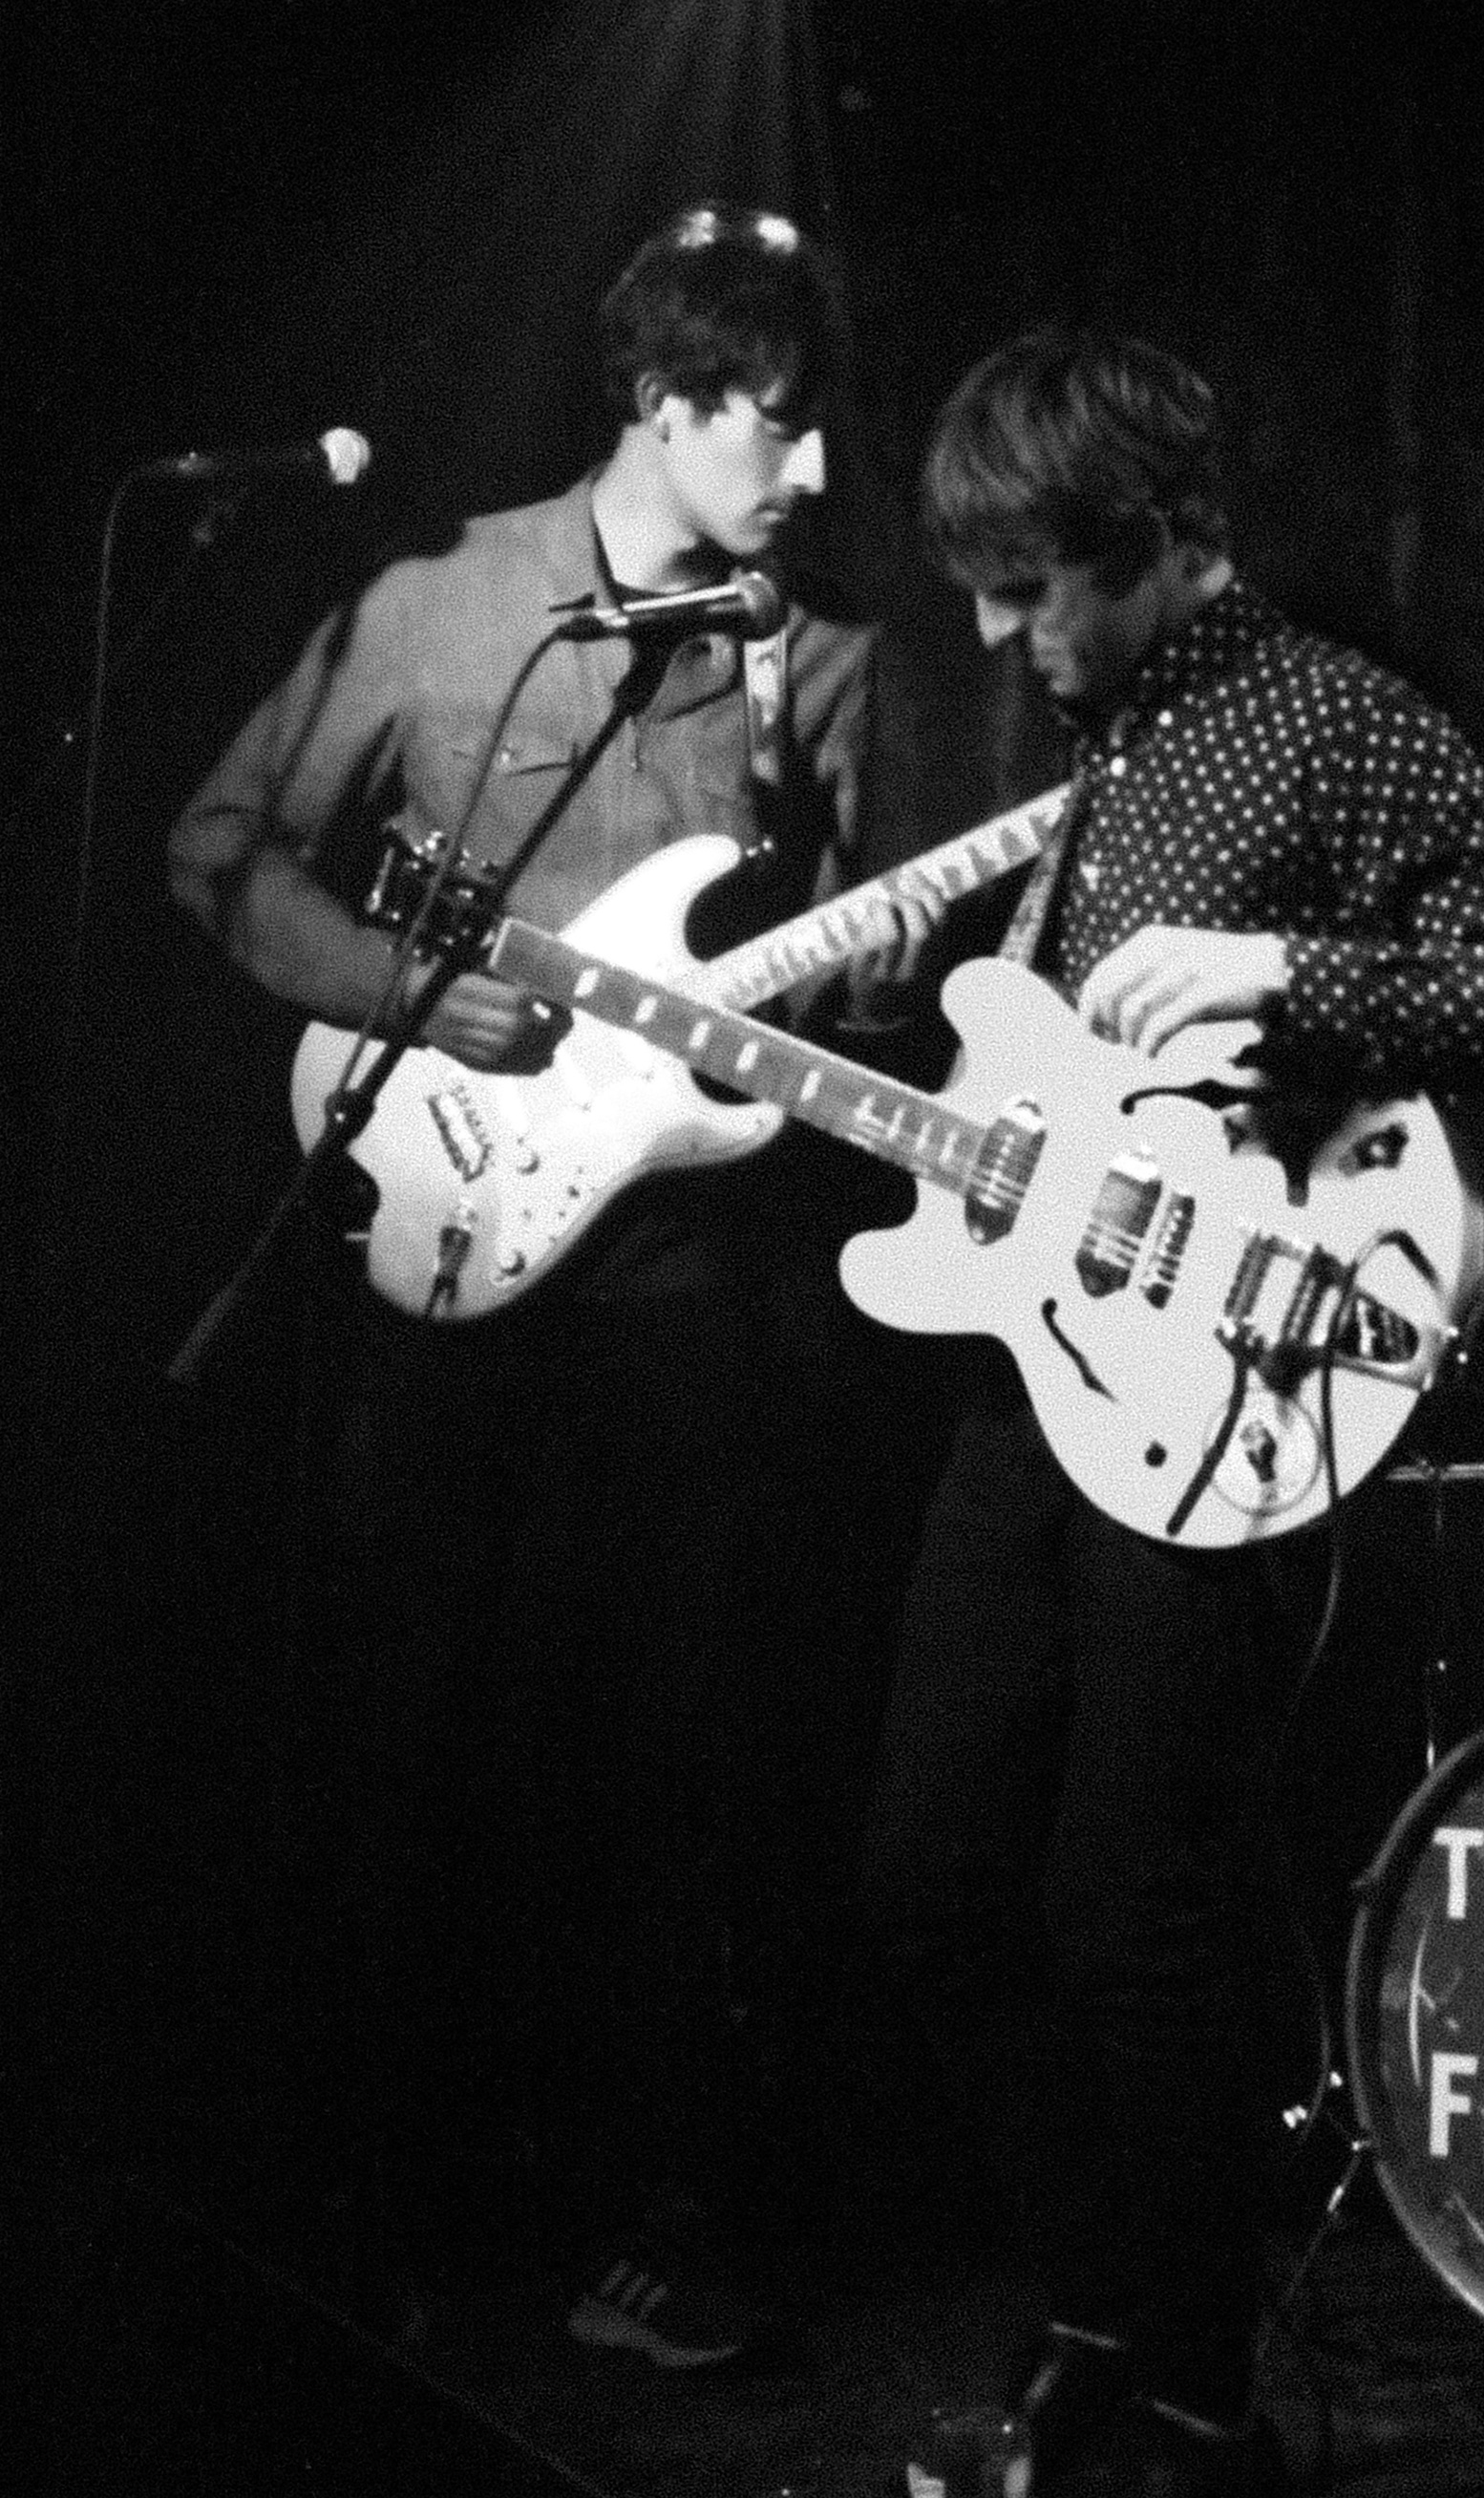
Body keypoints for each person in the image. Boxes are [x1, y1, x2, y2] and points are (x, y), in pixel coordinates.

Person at [168, 203, 937, 2359]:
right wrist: (402, 987)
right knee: (412, 1712)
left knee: (673, 1751)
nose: (810, 471)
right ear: (665, 405)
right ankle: (395, 2201)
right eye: (774, 423)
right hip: (436, 1235)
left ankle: (665, 2207)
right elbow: (219, 850)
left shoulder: (827, 655)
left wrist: (871, 952)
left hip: (689, 1277)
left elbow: (872, 979)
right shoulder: (445, 602)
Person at [860, 325, 1484, 2495]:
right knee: (927, 1881)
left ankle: (1194, 2392)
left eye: (1030, 587)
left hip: (1228, 1381)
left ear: (1157, 539)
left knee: (1133, 1908)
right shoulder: (1093, 763)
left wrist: (1287, 970)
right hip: (1042, 1371)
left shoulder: (1339, 723)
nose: (997, 635)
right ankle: (1105, 2301)